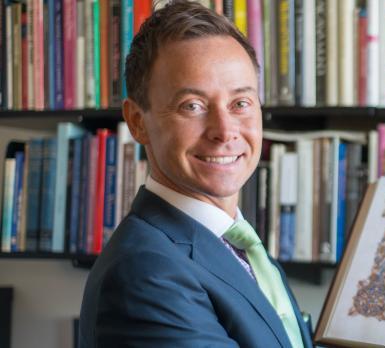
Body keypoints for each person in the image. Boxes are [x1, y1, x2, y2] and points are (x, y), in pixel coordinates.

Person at [78, 1, 311, 347]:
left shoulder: (237, 243)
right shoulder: (145, 272)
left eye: (240, 103)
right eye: (193, 106)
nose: (224, 130)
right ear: (138, 122)